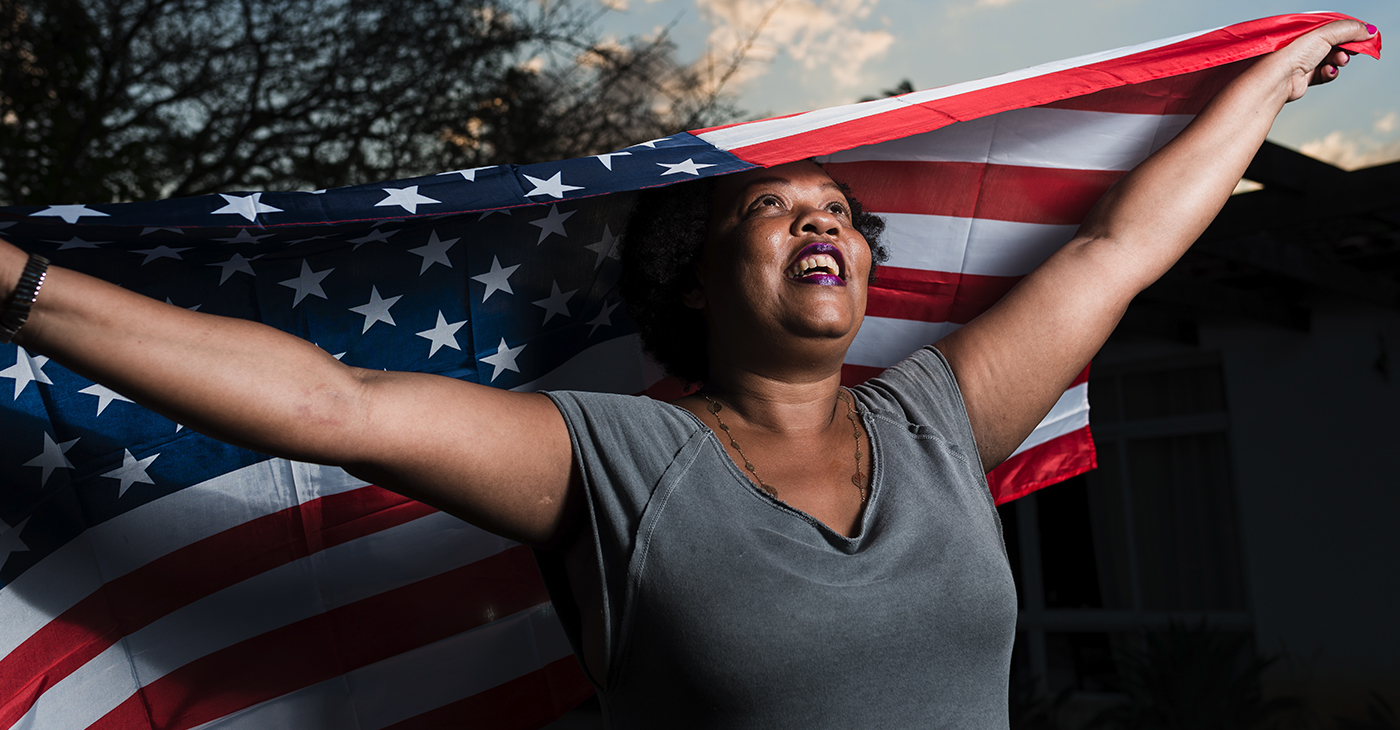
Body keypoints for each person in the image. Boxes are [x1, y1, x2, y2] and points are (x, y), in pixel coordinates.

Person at [0, 20, 1375, 728]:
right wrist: (17, 287)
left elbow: (1121, 248)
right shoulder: (614, 461)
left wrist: (1265, 77)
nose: (821, 218)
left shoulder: (938, 420)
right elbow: (329, 405)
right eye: (774, 209)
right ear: (694, 278)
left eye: (840, 207)